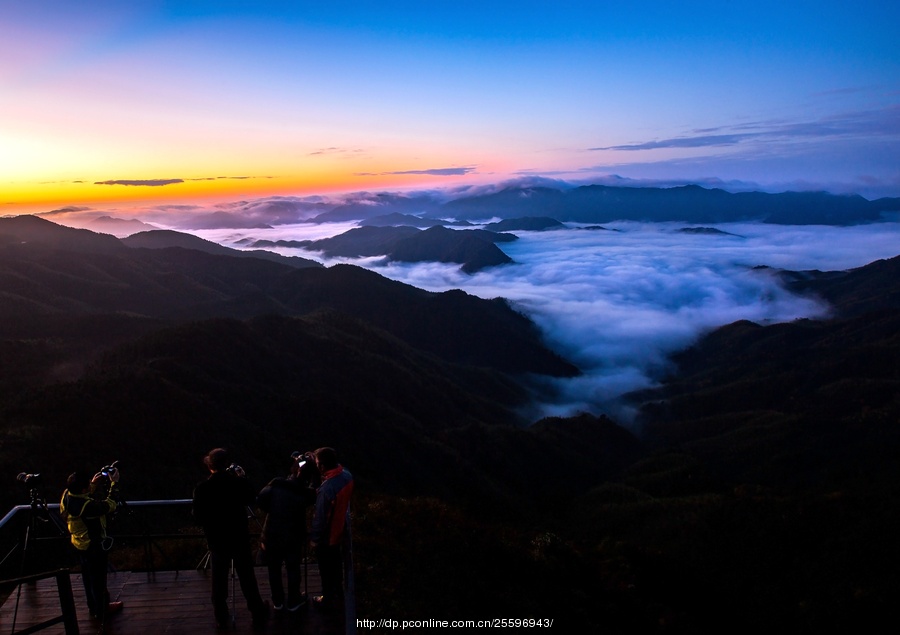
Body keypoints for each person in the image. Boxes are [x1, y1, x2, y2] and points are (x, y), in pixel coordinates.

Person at [192, 448, 269, 629]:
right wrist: (242, 477)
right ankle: (256, 610)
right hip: (239, 537)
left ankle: (221, 616)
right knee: (247, 577)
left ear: (209, 466)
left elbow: (197, 517)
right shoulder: (237, 484)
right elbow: (252, 498)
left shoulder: (202, 488)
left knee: (218, 580)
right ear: (227, 465)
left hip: (217, 539)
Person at [59, 468, 124, 622]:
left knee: (88, 577)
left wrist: (92, 485)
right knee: (98, 578)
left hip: (79, 543)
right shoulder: (86, 506)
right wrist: (114, 483)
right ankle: (102, 609)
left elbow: (80, 496)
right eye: (88, 483)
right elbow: (110, 505)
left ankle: (93, 606)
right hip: (92, 545)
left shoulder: (67, 495)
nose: (90, 483)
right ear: (82, 489)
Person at [256, 454, 317, 612]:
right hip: (293, 536)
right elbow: (316, 490)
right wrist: (314, 471)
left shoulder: (276, 484)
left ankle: (278, 601)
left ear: (294, 470)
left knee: (273, 568)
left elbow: (261, 500)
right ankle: (293, 600)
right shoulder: (305, 493)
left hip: (271, 533)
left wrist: (274, 510)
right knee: (293, 567)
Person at [309, 447, 354, 611]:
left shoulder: (327, 489)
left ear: (321, 466)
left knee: (325, 568)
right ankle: (339, 592)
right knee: (336, 564)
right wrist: (317, 458)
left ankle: (327, 597)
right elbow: (337, 469)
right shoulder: (346, 476)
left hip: (327, 537)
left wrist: (314, 539)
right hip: (339, 531)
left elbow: (320, 519)